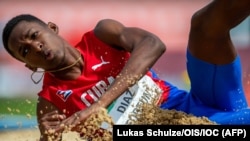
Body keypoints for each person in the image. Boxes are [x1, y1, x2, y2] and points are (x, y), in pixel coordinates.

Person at [2, 0, 250, 140]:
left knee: (204, 24)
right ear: (30, 65)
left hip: (195, 102)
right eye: (25, 52)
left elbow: (153, 44)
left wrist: (99, 104)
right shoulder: (50, 102)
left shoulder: (102, 35)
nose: (35, 47)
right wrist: (48, 138)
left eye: (34, 36)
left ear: (52, 28)